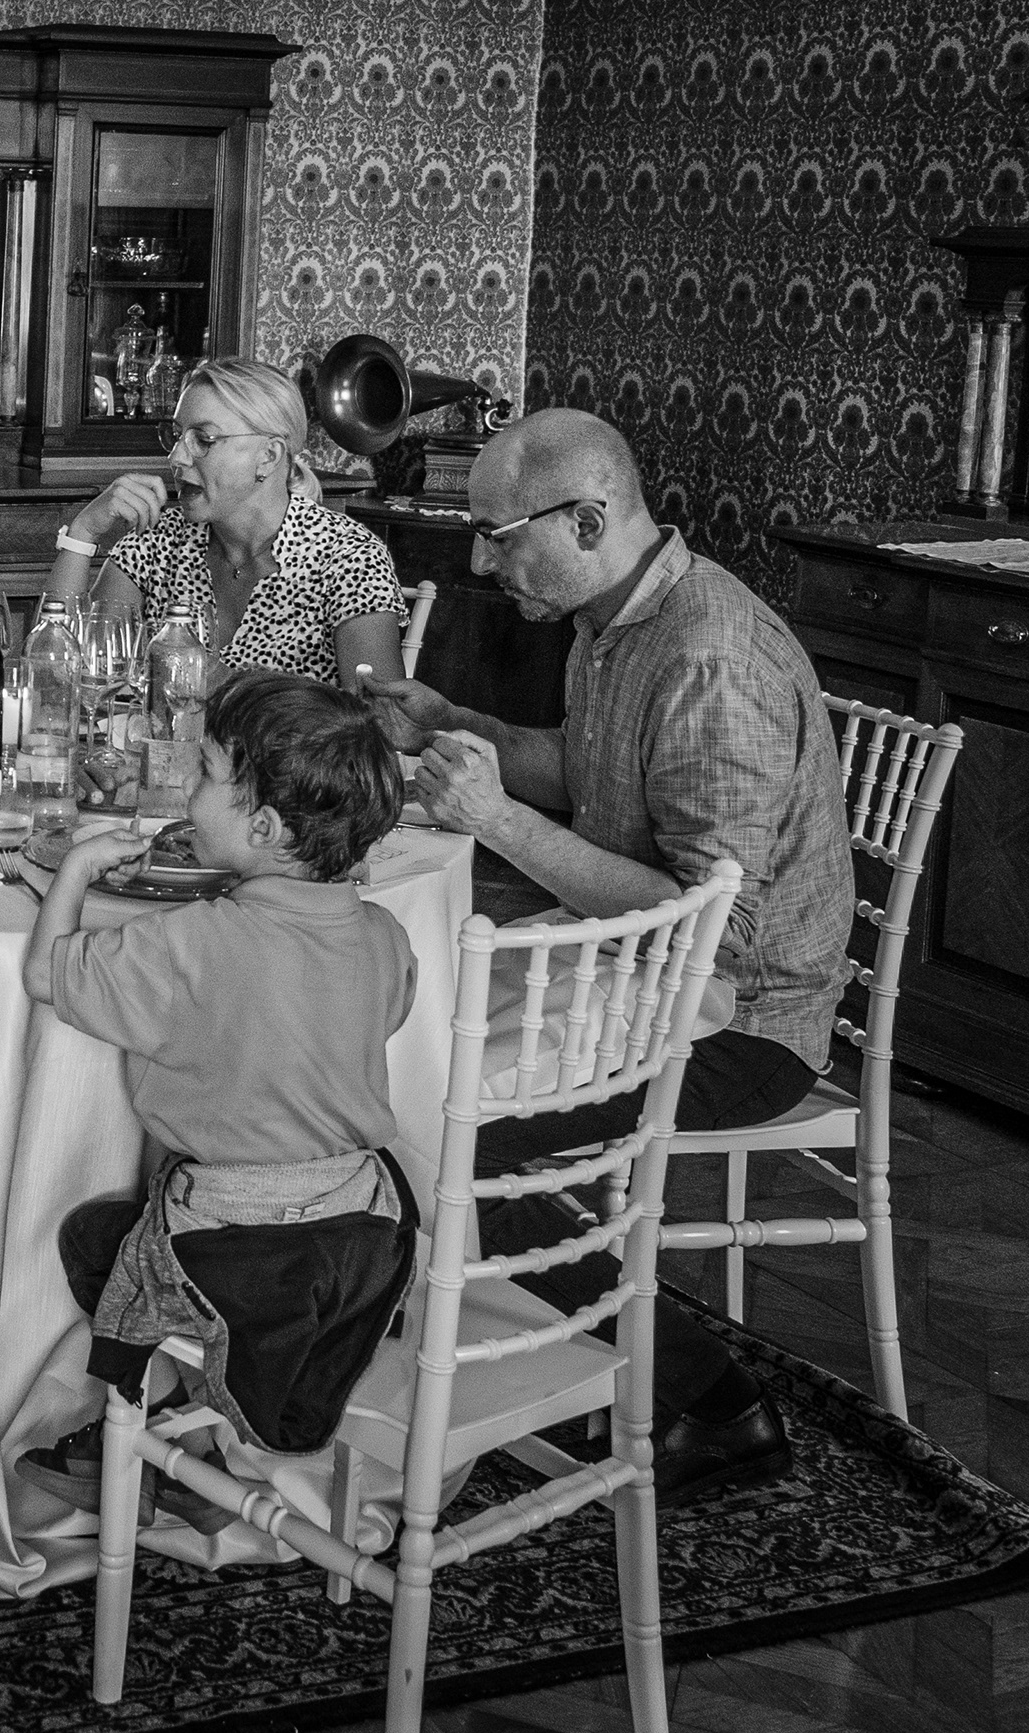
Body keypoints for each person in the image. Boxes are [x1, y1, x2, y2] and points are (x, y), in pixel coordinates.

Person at [356, 406, 854, 1505]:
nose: (482, 564)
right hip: (635, 975)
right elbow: (586, 771)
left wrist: (495, 821)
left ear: (585, 521)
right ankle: (504, 1344)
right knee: (401, 1056)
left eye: (497, 536)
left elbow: (712, 926)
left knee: (456, 1131)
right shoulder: (611, 615)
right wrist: (451, 721)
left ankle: (717, 1401)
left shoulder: (710, 658)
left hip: (743, 1018)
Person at [13, 675, 419, 1523]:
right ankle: (192, 1447)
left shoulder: (188, 944)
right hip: (362, 1236)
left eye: (204, 774)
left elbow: (46, 974)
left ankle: (148, 1431)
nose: (187, 789)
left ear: (263, 828)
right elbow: (382, 1011)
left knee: (93, 1238)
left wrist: (76, 869)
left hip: (241, 1248)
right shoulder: (386, 936)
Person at [41, 357, 408, 689]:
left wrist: (223, 684)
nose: (176, 457)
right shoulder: (156, 542)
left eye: (204, 439)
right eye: (176, 436)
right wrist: (83, 532)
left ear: (268, 456)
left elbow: (376, 722)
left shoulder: (349, 558)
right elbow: (61, 673)